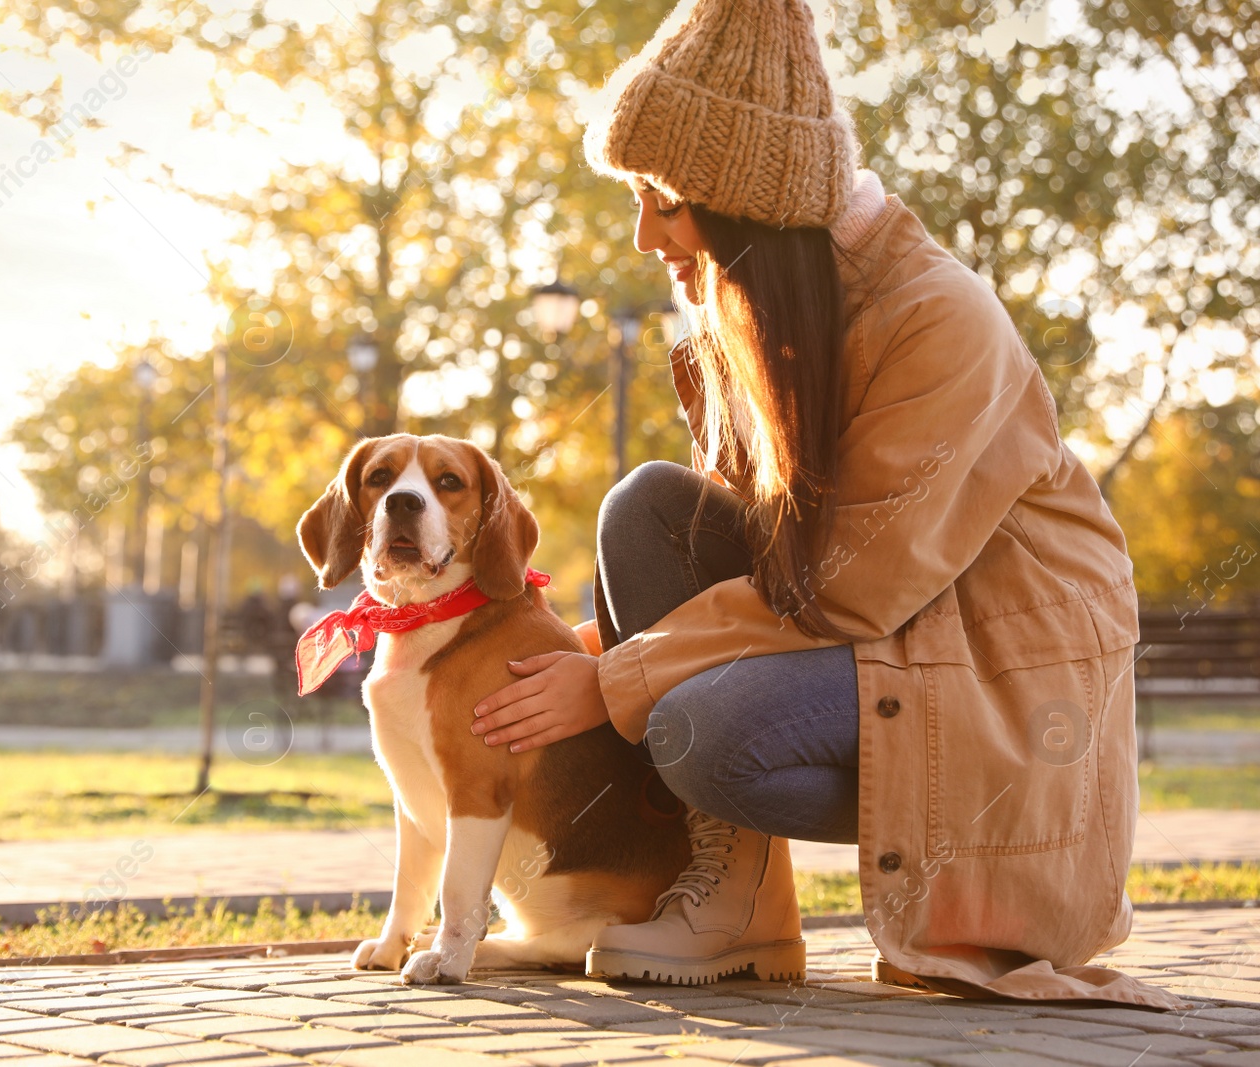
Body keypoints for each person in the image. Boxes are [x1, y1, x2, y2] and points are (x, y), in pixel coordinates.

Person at [469, 0, 1181, 1008]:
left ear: (745, 200)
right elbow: (758, 560)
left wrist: (618, 676)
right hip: (876, 635)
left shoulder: (941, 318)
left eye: (662, 199)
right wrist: (585, 653)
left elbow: (847, 587)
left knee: (698, 731)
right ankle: (738, 910)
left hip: (988, 673)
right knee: (651, 508)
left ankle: (831, 855)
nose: (643, 235)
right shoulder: (754, 315)